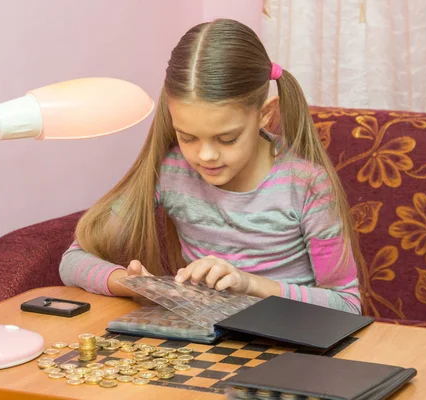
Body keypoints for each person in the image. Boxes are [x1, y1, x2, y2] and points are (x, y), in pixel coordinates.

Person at [60, 19, 362, 314]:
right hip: (208, 345)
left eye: (227, 139)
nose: (205, 156)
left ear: (265, 115)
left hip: (295, 345)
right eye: (188, 137)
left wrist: (249, 284)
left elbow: (346, 305)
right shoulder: (171, 172)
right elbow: (73, 262)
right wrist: (132, 284)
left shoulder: (305, 183)